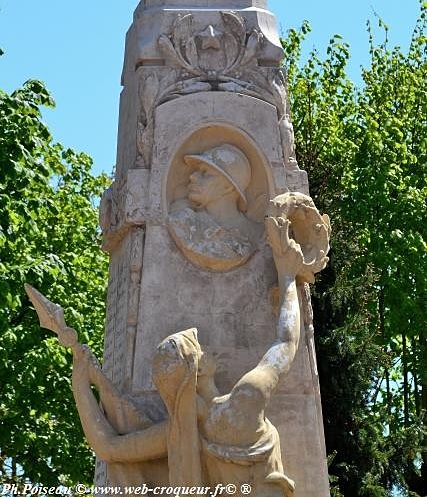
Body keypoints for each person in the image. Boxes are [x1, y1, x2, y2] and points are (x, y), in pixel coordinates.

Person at [71, 203, 307, 496]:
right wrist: (287, 277)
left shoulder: (181, 431)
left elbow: (108, 447)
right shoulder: (243, 401)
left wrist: (80, 382)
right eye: (201, 347)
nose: (208, 347)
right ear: (199, 369)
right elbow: (286, 341)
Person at [168, 144, 261, 271]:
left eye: (205, 173)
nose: (192, 176)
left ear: (227, 187)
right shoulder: (185, 222)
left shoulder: (257, 233)